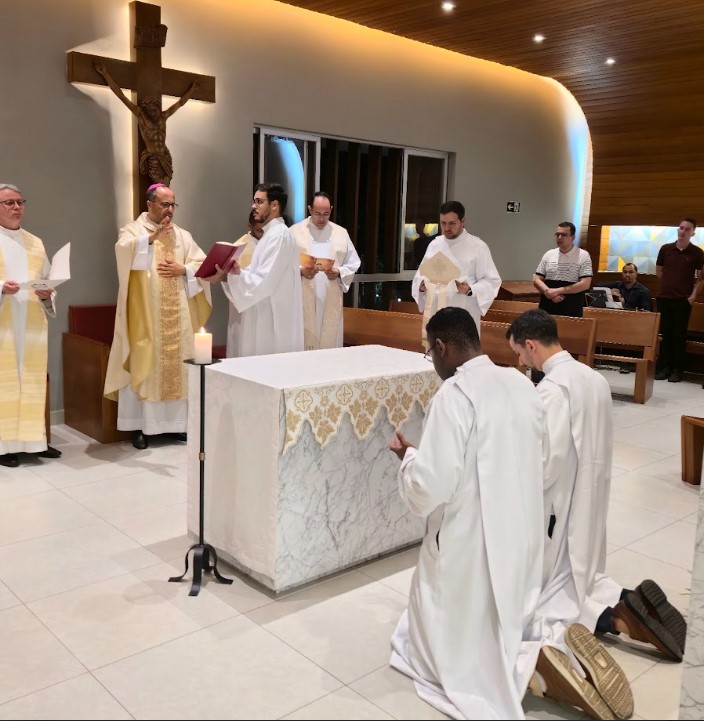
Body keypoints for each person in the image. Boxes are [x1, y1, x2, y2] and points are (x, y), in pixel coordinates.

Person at [388, 306, 545, 719]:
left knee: (436, 612)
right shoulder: (520, 382)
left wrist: (409, 460)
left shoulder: (454, 396)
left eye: (430, 353)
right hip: (521, 531)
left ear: (442, 347)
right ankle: (520, 657)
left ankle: (482, 666)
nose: (432, 362)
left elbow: (431, 487)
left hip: (472, 540)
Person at [507, 310, 687, 670]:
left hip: (563, 504)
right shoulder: (594, 379)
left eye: (519, 353)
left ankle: (619, 620)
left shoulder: (552, 390)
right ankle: (631, 600)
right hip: (593, 495)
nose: (521, 362)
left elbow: (546, 464)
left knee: (549, 595)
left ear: (531, 345)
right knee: (584, 574)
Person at [104, 184, 212, 450]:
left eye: (173, 204)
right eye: (165, 204)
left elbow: (201, 263)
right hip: (146, 314)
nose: (170, 210)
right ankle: (140, 427)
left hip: (179, 315)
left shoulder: (182, 235)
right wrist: (151, 239)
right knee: (145, 362)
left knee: (179, 364)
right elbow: (123, 252)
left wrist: (183, 269)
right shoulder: (133, 230)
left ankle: (175, 426)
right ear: (150, 204)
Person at [0, 183, 62, 468]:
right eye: (9, 203)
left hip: (32, 324)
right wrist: (2, 287)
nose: (16, 207)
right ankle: (4, 446)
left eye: (20, 202)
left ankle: (35, 442)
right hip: (4, 325)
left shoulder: (35, 243)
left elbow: (47, 280)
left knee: (32, 381)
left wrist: (47, 293)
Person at [205, 183, 303, 357]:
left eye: (259, 202)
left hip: (272, 318)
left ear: (275, 205)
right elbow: (256, 273)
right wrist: (234, 273)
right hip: (263, 311)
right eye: (254, 201)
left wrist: (228, 278)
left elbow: (264, 281)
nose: (253, 206)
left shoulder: (279, 235)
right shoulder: (270, 235)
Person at [94, 62, 200, 185]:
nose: (152, 111)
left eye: (154, 109)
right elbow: (121, 96)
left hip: (165, 155)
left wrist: (193, 89)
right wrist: (105, 74)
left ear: (157, 107)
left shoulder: (164, 116)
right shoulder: (141, 116)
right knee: (160, 187)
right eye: (149, 109)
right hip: (153, 156)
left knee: (167, 185)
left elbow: (180, 103)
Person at [412, 200, 501, 339]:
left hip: (463, 311)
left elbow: (492, 281)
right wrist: (421, 286)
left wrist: (470, 290)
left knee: (460, 348)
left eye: (452, 223)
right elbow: (420, 275)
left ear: (463, 221)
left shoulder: (478, 246)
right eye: (443, 223)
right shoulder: (434, 245)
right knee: (436, 348)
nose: (447, 228)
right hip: (435, 311)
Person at [290, 192, 360, 350]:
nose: (322, 219)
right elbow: (284, 262)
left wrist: (339, 271)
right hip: (303, 295)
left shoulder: (341, 233)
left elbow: (354, 262)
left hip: (330, 294)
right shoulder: (294, 232)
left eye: (326, 214)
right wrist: (301, 271)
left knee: (329, 340)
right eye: (317, 213)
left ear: (331, 210)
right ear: (310, 209)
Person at [655, 217, 704, 383]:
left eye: (687, 229)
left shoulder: (697, 253)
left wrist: (693, 296)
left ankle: (677, 370)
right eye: (681, 228)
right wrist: (668, 284)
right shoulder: (665, 249)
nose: (683, 231)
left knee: (679, 335)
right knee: (665, 334)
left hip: (683, 301)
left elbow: (701, 279)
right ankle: (664, 367)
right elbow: (659, 272)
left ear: (693, 233)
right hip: (664, 298)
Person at [533, 222, 593, 317]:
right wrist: (548, 292)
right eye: (557, 234)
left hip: (571, 306)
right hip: (547, 304)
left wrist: (558, 291)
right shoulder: (549, 254)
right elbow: (537, 279)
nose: (559, 238)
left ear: (573, 237)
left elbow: (585, 284)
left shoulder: (583, 255)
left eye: (564, 235)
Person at [225, 211, 262, 358]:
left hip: (264, 308)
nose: (262, 233)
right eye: (258, 230)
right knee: (242, 348)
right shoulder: (238, 248)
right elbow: (229, 281)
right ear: (249, 226)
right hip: (243, 310)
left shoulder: (271, 244)